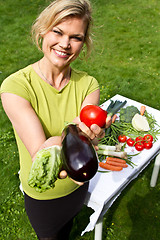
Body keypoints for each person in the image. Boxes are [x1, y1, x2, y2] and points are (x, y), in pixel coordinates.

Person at [0, 0, 111, 239]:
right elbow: (40, 153)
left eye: (76, 37)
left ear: (84, 43)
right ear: (42, 30)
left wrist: (90, 133)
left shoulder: (88, 84)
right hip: (45, 197)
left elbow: (84, 130)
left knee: (68, 227)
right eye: (57, 32)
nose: (65, 44)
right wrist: (79, 133)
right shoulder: (15, 87)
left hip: (79, 184)